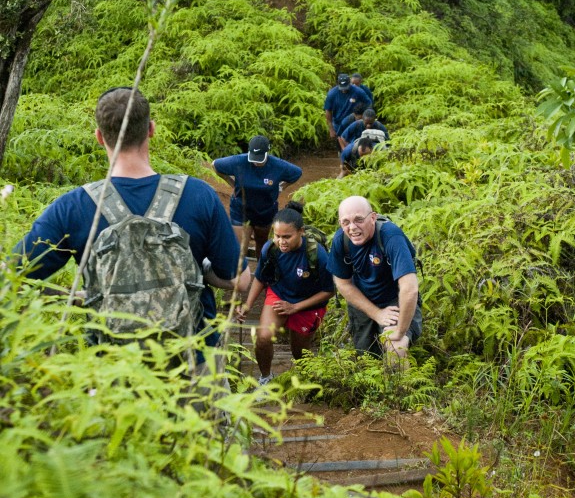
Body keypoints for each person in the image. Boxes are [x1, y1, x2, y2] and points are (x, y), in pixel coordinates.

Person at [12, 86, 251, 364]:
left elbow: (13, 278)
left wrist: (80, 296)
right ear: (151, 129)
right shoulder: (199, 195)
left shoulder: (73, 207)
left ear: (100, 137)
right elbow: (240, 280)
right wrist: (203, 270)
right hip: (192, 363)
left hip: (113, 373)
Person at [237, 201, 334, 385]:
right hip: (279, 295)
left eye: (287, 237)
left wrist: (295, 307)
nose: (281, 242)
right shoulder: (270, 249)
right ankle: (265, 378)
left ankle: (305, 383)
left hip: (308, 303)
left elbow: (328, 291)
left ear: (301, 232)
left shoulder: (317, 255)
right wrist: (248, 305)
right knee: (263, 338)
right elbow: (260, 278)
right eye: (277, 236)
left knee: (300, 353)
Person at [327, 195, 421, 362]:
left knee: (395, 348)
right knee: (366, 358)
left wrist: (399, 331)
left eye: (359, 220)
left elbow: (410, 288)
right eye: (345, 222)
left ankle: (401, 387)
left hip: (395, 299)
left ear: (373, 217)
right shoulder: (341, 240)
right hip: (363, 300)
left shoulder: (390, 236)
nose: (352, 227)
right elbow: (342, 283)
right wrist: (376, 313)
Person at [213, 135, 302, 260]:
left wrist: (281, 187)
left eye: (260, 158)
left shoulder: (278, 166)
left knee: (262, 247)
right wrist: (231, 183)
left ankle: (261, 274)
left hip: (265, 212)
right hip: (241, 210)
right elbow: (215, 165)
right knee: (239, 250)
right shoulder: (239, 161)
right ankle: (240, 276)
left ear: (267, 152)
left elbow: (297, 172)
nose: (256, 161)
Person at [323, 74, 370, 151]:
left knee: (355, 143)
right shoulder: (332, 94)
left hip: (355, 122)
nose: (344, 90)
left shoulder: (358, 91)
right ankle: (343, 157)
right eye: (342, 88)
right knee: (340, 143)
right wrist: (331, 128)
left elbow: (368, 104)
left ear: (350, 83)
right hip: (338, 123)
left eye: (346, 88)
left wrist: (364, 118)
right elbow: (328, 111)